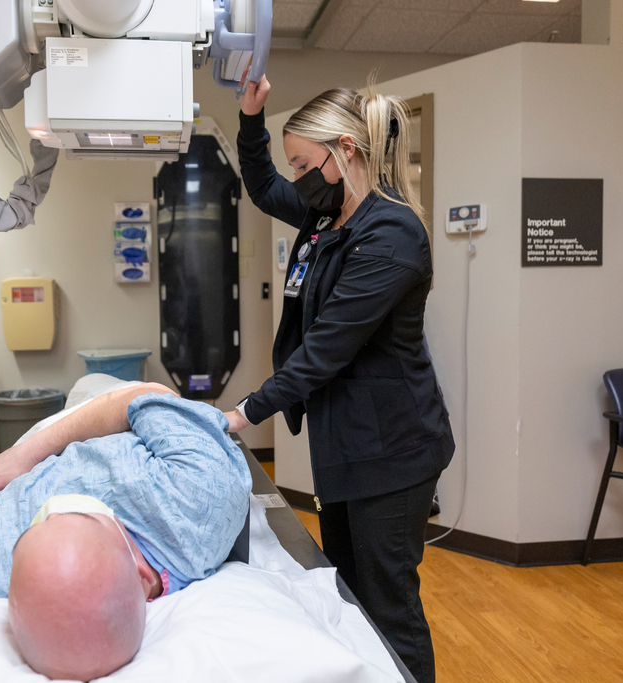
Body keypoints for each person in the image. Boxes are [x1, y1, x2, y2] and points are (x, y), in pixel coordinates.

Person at [223, 73, 455, 683]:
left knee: (389, 605)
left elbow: (327, 349)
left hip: (393, 449)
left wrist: (243, 411)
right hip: (345, 439)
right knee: (348, 597)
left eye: (304, 162)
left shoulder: (392, 232)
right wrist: (252, 119)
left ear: (345, 151)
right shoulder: (329, 211)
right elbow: (264, 186)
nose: (296, 176)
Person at [0, 383, 252, 681]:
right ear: (142, 577)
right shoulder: (201, 494)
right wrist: (30, 455)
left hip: (42, 442)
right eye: (83, 516)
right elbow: (148, 396)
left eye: (40, 523)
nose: (57, 506)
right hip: (106, 411)